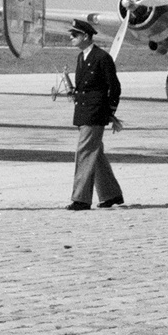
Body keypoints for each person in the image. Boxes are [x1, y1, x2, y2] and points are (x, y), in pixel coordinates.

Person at [66, 18, 124, 211]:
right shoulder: (81, 57)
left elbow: (114, 87)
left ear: (86, 36)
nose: (71, 38)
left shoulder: (102, 58)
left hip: (95, 113)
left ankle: (81, 199)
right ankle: (111, 195)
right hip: (83, 111)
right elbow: (85, 87)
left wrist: (110, 113)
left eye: (75, 35)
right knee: (94, 153)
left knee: (84, 152)